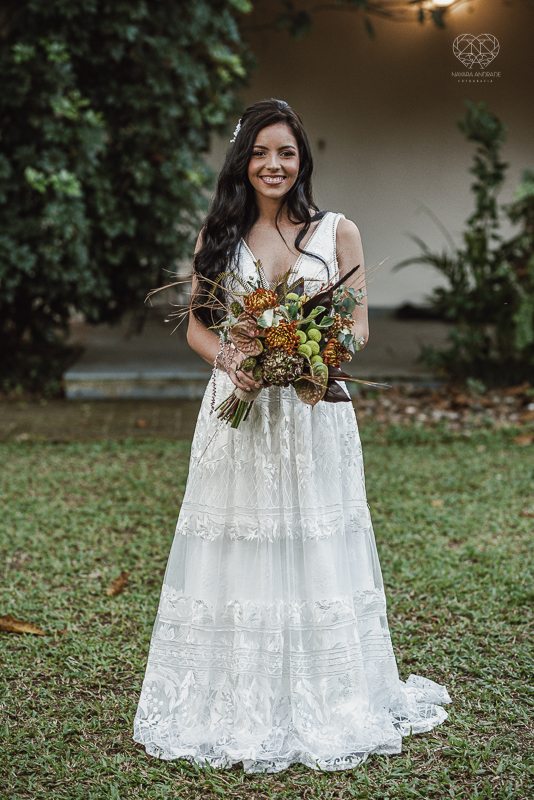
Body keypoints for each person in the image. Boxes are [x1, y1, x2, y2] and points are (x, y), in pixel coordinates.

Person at [133, 98, 451, 774]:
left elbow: (358, 327)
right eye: (260, 152)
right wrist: (233, 359)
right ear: (241, 162)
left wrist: (309, 351)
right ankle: (236, 696)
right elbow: (196, 325)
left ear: (302, 160)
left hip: (312, 413)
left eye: (286, 152)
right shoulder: (216, 234)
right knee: (240, 537)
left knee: (314, 536)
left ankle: (328, 691)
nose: (273, 164)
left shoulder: (339, 232)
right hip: (237, 410)